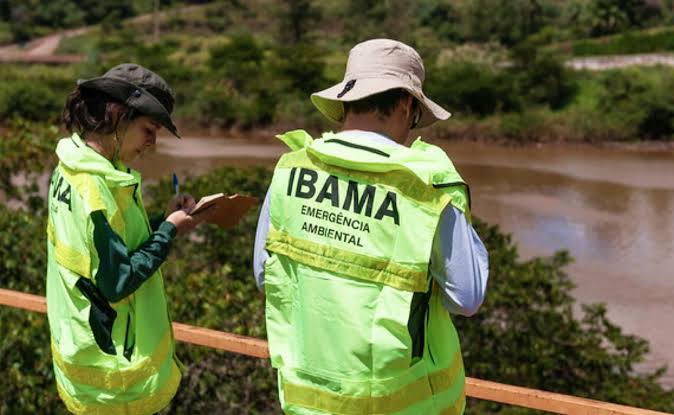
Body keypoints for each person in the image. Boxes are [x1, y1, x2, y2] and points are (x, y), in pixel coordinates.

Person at [253, 39, 489, 414]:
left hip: (308, 402)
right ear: (406, 104)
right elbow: (467, 296)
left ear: (346, 102)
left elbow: (267, 276)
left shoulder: (292, 170)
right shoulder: (427, 183)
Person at [46, 63, 214, 414]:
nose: (153, 143)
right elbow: (118, 279)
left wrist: (164, 220)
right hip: (113, 382)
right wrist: (169, 232)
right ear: (117, 116)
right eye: (149, 129)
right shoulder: (96, 189)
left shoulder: (72, 169)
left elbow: (108, 246)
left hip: (86, 363)